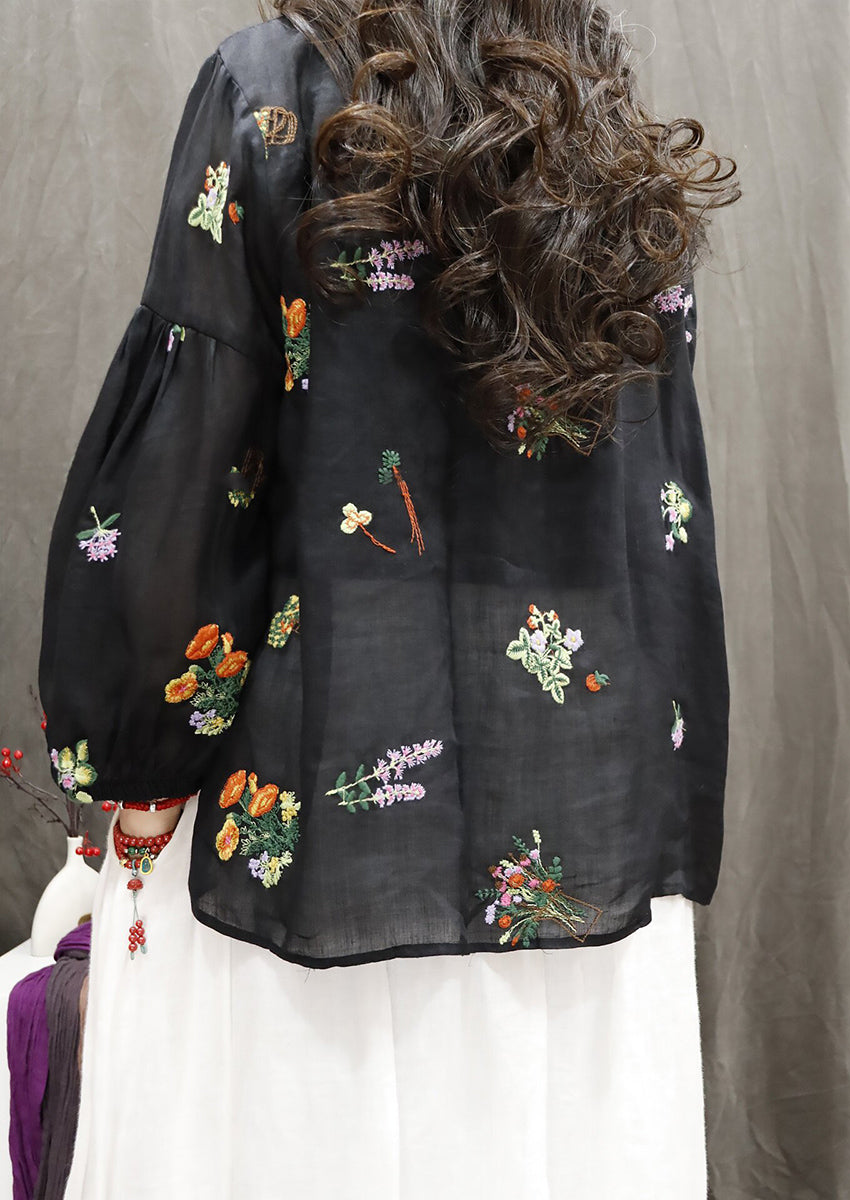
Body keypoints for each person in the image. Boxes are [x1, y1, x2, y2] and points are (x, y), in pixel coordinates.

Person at [37, 3, 740, 1196]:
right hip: (584, 832)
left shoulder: (271, 87)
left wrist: (136, 765)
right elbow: (658, 500)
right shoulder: (593, 99)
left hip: (320, 821)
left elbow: (192, 463)